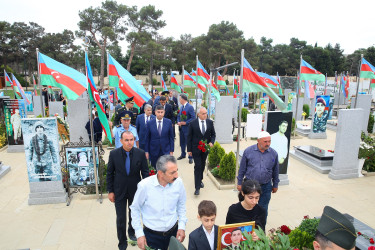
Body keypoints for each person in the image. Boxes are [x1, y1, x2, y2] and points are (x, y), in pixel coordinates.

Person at [130, 155, 187, 250]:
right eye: (172, 173)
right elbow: (135, 209)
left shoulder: (179, 183)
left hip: (173, 234)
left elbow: (181, 205)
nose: (176, 175)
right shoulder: (144, 186)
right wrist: (139, 234)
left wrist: (181, 226)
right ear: (161, 173)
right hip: (152, 237)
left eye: (177, 170)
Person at [107, 131, 149, 250]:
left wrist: (146, 191)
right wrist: (110, 191)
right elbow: (110, 173)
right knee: (120, 218)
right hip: (119, 190)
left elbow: (145, 172)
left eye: (131, 140)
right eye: (126, 140)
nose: (129, 142)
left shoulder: (140, 153)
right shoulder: (114, 154)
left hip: (135, 190)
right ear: (121, 141)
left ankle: (132, 232)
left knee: (133, 215)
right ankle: (122, 242)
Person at [237, 131, 279, 224]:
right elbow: (242, 169)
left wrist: (275, 184)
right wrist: (239, 182)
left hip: (265, 186)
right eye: (265, 141)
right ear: (258, 141)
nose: (268, 144)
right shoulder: (248, 151)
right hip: (250, 186)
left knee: (263, 209)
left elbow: (276, 171)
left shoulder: (274, 154)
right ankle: (246, 227)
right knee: (248, 207)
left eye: (269, 141)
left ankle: (260, 230)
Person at [187, 107, 216, 195]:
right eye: (203, 113)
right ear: (198, 114)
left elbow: (213, 134)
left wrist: (211, 142)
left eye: (206, 113)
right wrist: (189, 150)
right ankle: (197, 188)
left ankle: (200, 179)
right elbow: (189, 137)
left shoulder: (210, 122)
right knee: (198, 166)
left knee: (202, 165)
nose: (205, 115)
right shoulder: (193, 123)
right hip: (196, 148)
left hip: (205, 148)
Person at [177, 93, 195, 164]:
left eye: (180, 99)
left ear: (183, 99)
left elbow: (193, 118)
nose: (179, 100)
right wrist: (178, 121)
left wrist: (186, 123)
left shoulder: (190, 107)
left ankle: (190, 157)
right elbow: (178, 116)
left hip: (187, 128)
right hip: (181, 128)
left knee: (188, 143)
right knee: (182, 142)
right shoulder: (181, 107)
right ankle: (183, 154)